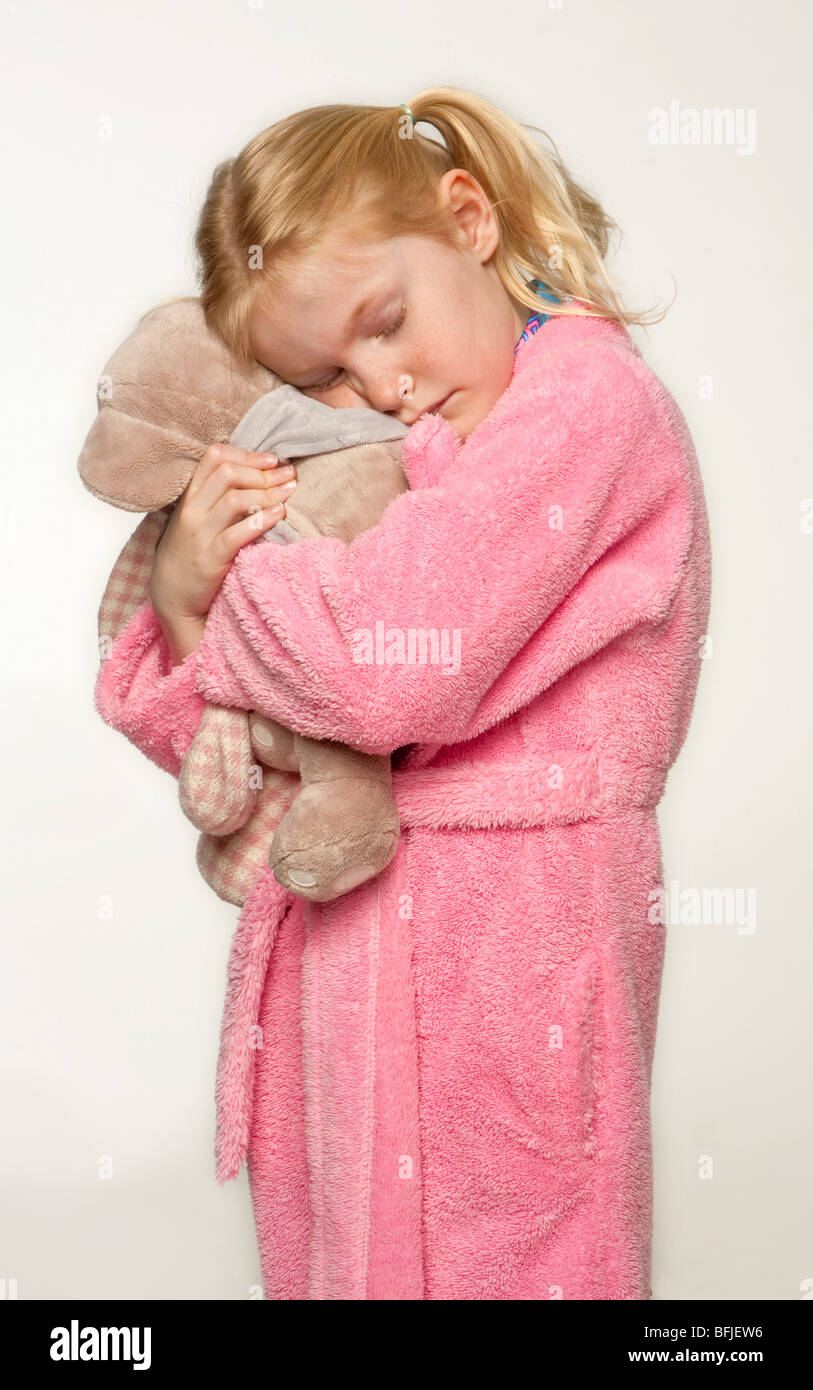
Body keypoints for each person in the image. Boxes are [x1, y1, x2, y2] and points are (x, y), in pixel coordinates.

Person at [95, 87, 712, 1299]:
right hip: (349, 960)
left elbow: (380, 669)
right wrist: (175, 598)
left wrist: (229, 584)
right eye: (325, 371)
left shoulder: (590, 408)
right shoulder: (419, 463)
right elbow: (258, 765)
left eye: (386, 321)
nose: (379, 386)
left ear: (470, 219)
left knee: (519, 1263)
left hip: (514, 940)